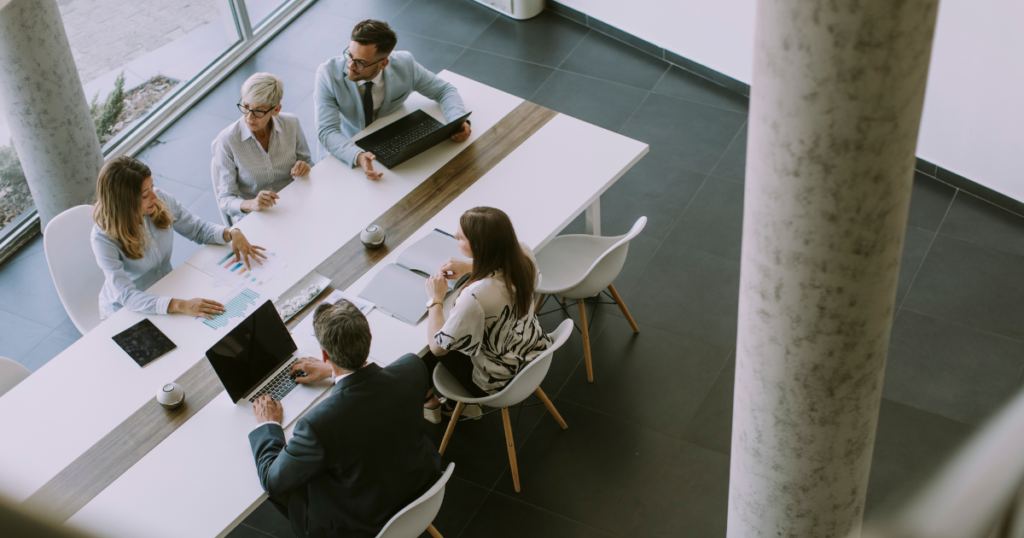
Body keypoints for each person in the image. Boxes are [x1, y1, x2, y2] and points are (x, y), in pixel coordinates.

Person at [249, 300, 441, 538]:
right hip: (423, 488)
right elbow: (379, 391)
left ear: (324, 354)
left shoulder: (317, 425)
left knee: (284, 486)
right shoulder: (412, 367)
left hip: (364, 525)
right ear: (368, 339)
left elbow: (271, 480)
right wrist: (334, 371)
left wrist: (268, 424)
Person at [421, 207, 552, 424]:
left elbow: (437, 347)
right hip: (531, 351)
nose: (454, 236)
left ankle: (431, 402)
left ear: (478, 246)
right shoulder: (524, 254)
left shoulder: (475, 296)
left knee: (424, 352)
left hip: (496, 382)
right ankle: (454, 406)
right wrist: (470, 266)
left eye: (461, 236)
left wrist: (435, 299)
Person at [91, 156, 265, 319]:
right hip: (127, 312)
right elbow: (127, 295)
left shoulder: (160, 200)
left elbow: (197, 229)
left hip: (167, 290)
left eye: (152, 187)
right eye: (145, 195)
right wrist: (181, 305)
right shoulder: (102, 238)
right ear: (124, 203)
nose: (154, 196)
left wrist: (232, 233)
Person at [314, 19, 471, 181]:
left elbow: (444, 90)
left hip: (391, 138)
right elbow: (327, 131)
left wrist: (457, 121)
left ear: (383, 63)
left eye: (361, 63)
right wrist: (358, 156)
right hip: (347, 146)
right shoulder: (327, 74)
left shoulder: (405, 64)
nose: (351, 66)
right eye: (350, 55)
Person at [212, 72, 313, 224]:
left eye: (259, 111)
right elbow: (225, 200)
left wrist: (305, 167)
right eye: (246, 106)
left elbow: (308, 162)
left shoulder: (292, 124)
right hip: (255, 217)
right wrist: (251, 204)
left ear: (276, 110)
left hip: (293, 203)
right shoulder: (227, 141)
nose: (249, 118)